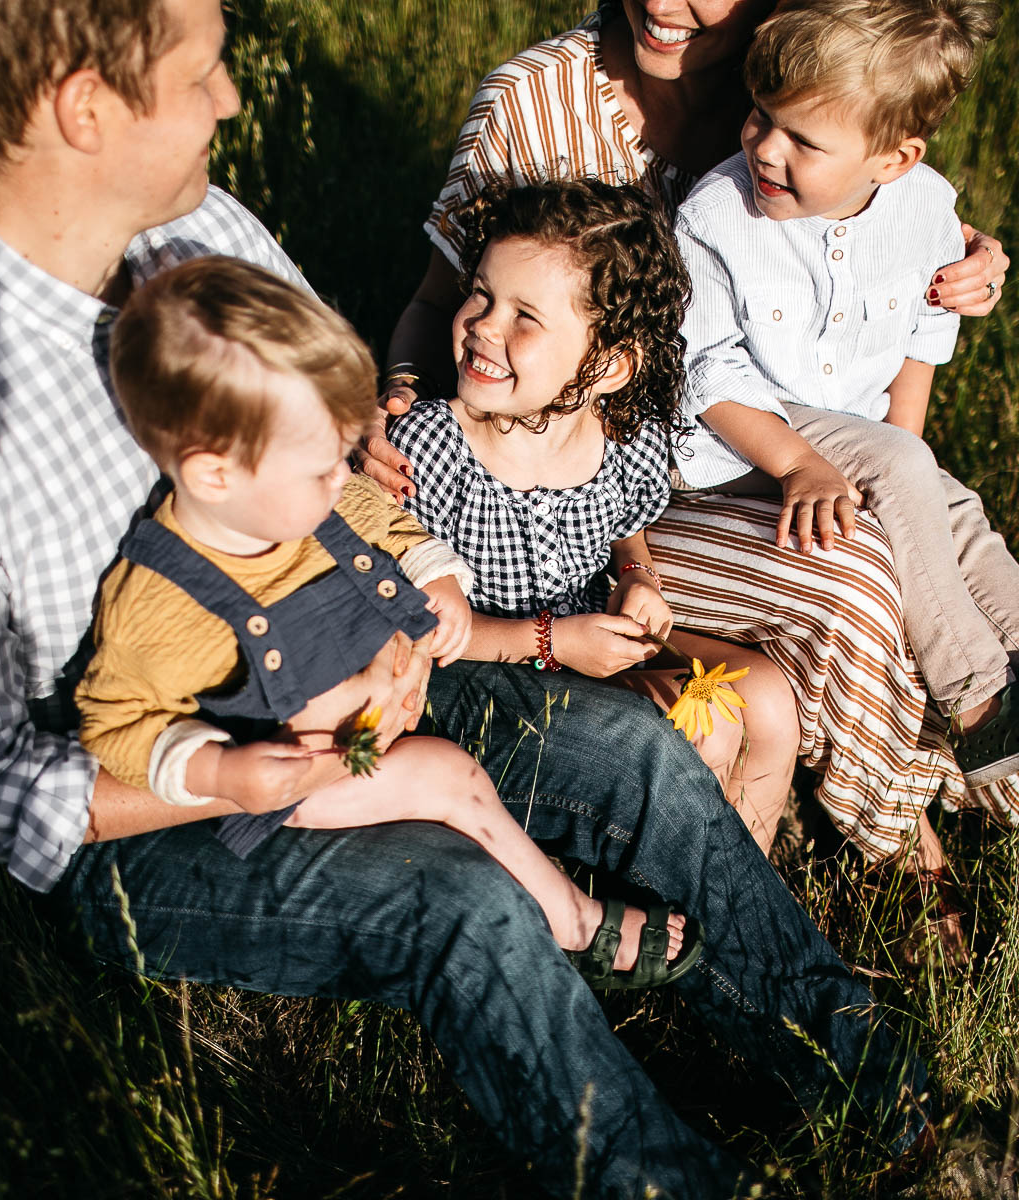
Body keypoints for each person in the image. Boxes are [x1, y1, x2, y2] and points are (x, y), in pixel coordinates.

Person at [0, 0, 936, 1193]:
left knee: (638, 756)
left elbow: (352, 471)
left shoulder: (202, 235)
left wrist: (414, 614)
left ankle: (885, 1099)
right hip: (169, 802)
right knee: (463, 905)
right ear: (86, 106)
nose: (230, 99)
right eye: (203, 71)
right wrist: (245, 771)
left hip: (361, 653)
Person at [362, 0, 1019, 885]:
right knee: (852, 572)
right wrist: (397, 397)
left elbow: (875, 190)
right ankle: (901, 847)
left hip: (728, 449)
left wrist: (954, 256)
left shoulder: (779, 73)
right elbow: (439, 303)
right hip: (610, 468)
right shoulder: (535, 105)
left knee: (912, 521)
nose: (665, 4)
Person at [671, 0, 1019, 885]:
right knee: (909, 474)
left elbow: (920, 344)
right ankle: (982, 710)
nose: (765, 148)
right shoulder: (717, 214)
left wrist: (906, 493)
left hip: (854, 436)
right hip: (734, 453)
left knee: (953, 511)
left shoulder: (927, 209)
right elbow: (704, 375)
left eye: (802, 140)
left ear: (895, 159)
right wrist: (809, 462)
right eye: (760, 117)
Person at [76, 254, 695, 985]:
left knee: (477, 770)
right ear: (215, 473)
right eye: (320, 467)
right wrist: (220, 769)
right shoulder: (156, 599)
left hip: (375, 719)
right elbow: (112, 725)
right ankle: (573, 920)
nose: (343, 476)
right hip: (306, 781)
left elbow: (374, 512)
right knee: (452, 781)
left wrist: (436, 574)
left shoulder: (291, 491)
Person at [389, 178, 799, 844]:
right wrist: (552, 641)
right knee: (708, 724)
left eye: (525, 317)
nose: (484, 327)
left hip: (577, 647)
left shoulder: (620, 439)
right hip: (484, 682)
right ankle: (664, 897)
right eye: (481, 295)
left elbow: (625, 527)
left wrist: (638, 575)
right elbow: (419, 633)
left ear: (608, 368)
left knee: (768, 698)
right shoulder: (433, 448)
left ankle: (739, 874)